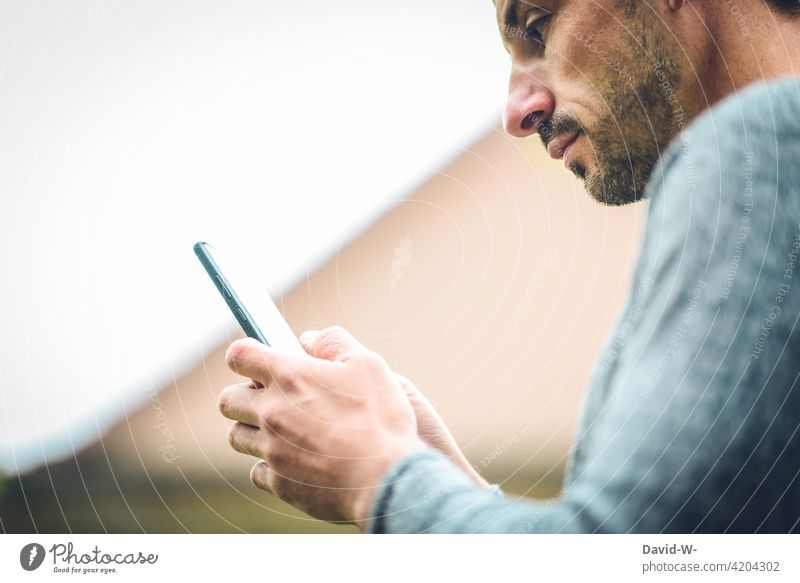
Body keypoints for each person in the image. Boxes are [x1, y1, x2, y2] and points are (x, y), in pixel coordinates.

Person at [218, 0, 800, 533]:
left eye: (540, 26)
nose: (518, 111)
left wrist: (379, 477)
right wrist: (440, 479)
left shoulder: (765, 144)